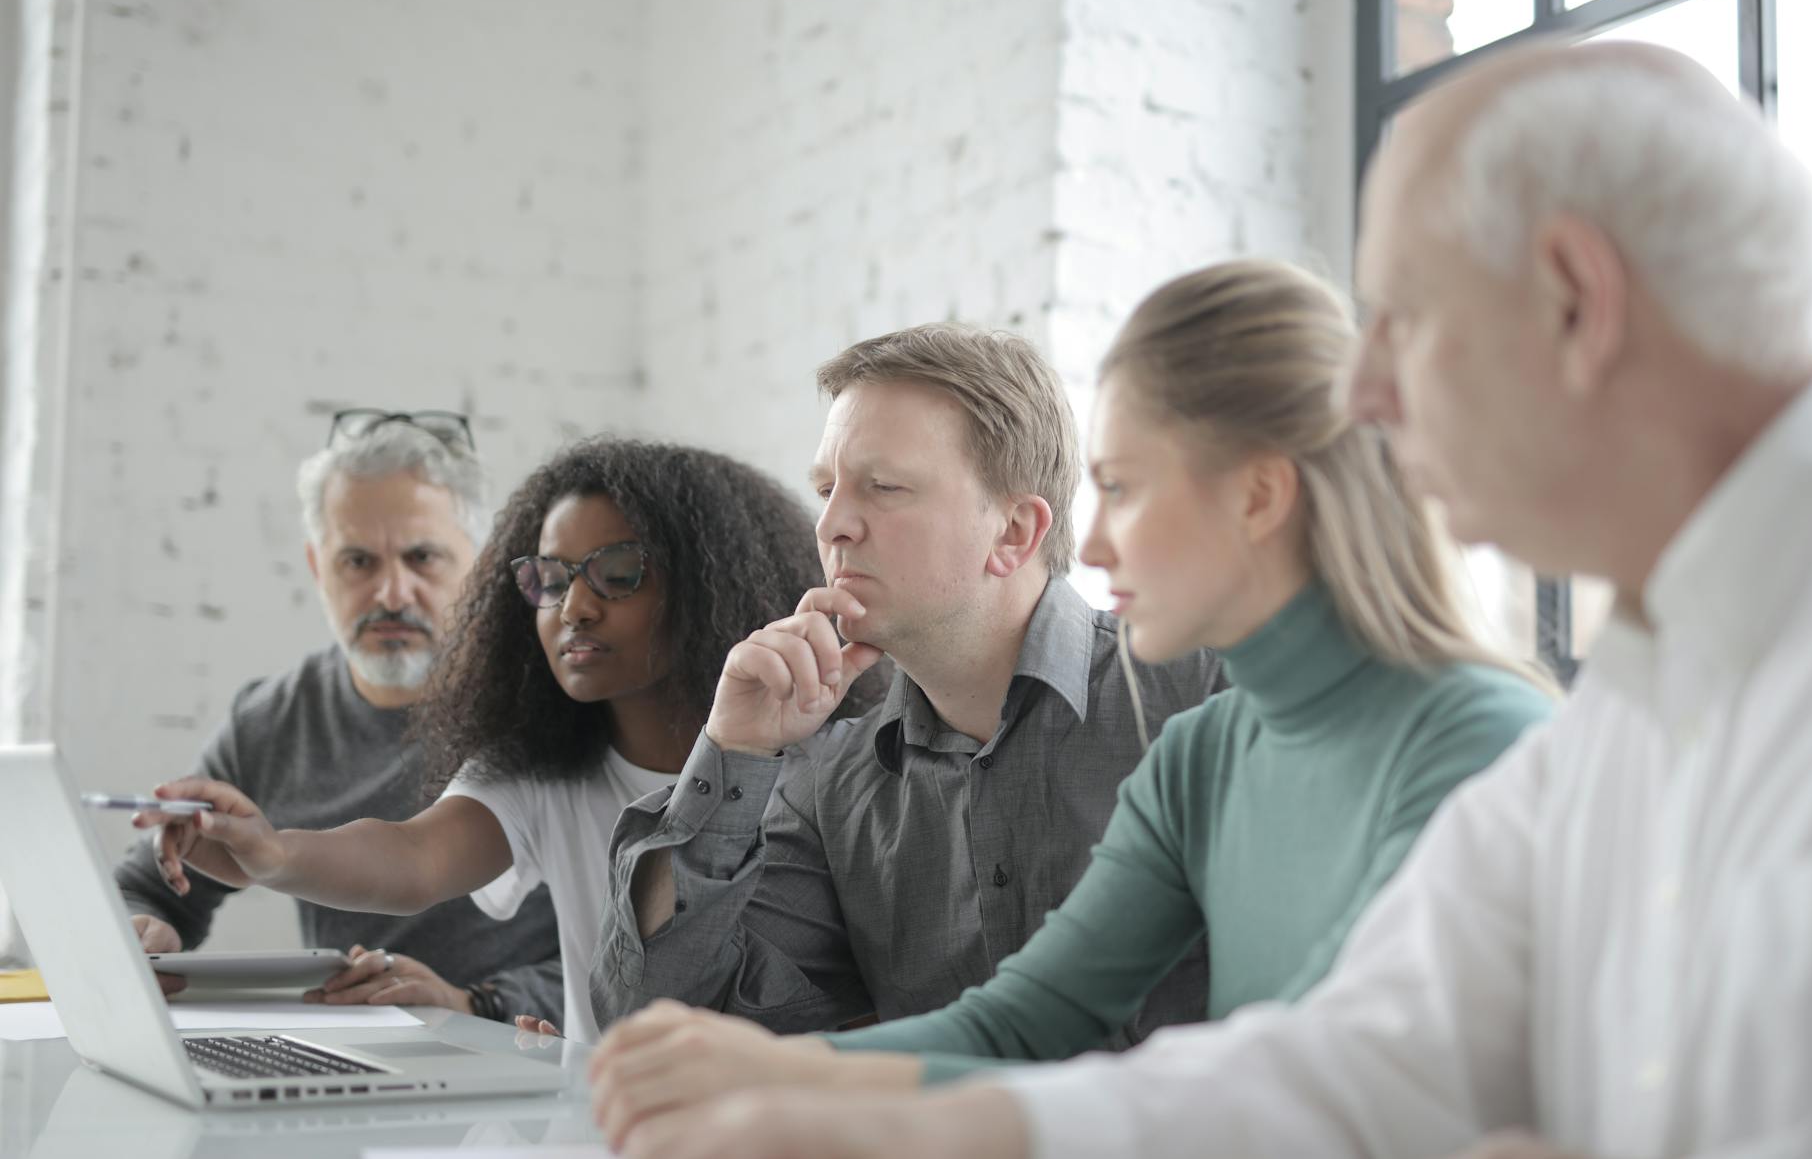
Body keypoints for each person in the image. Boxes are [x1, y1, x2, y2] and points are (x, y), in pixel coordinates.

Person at [621, 40, 1812, 1159]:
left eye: (1403, 319)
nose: (1367, 397)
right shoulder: (1621, 722)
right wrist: (880, 1113)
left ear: (1572, 300)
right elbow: (1358, 1063)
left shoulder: (1523, 728)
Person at [580, 259, 1556, 1147]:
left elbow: (1322, 1078)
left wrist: (871, 1114)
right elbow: (1021, 1021)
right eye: (829, 487)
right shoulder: (1209, 751)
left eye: (1122, 489)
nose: (1088, 550)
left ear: (1257, 497)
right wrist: (777, 1070)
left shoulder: (1470, 739)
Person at [584, 325, 1225, 1048]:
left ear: (1013, 531)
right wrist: (731, 749)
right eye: (826, 489)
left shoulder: (1209, 697)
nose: (831, 526)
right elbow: (654, 1023)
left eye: (882, 487)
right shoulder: (829, 785)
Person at [138, 437, 864, 1043]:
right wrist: (274, 852)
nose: (574, 607)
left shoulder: (819, 762)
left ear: (709, 586)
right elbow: (415, 856)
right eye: (551, 579)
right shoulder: (542, 770)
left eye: (618, 575)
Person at [115, 410, 563, 1023]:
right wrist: (146, 931)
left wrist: (475, 1005)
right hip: (350, 1072)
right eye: (358, 562)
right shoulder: (270, 722)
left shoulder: (550, 708)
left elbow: (637, 959)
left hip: (529, 1071)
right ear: (315, 566)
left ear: (481, 566)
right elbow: (148, 886)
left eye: (422, 557)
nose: (391, 594)